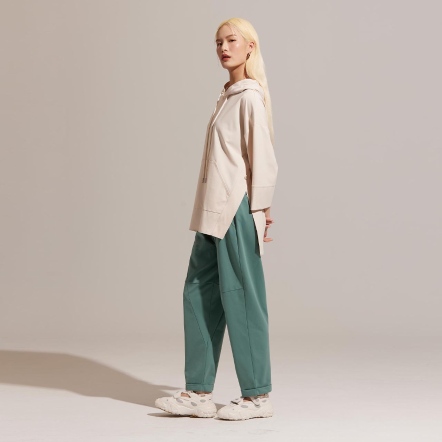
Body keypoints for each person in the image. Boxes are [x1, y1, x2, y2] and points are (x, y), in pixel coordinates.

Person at [155, 17, 278, 421]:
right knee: (197, 293)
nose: (223, 48)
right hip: (210, 211)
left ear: (250, 47)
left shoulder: (249, 97)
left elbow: (262, 157)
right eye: (218, 42)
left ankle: (257, 397)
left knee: (241, 298)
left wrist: (261, 209)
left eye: (231, 41)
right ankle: (198, 393)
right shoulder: (227, 95)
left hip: (235, 210)